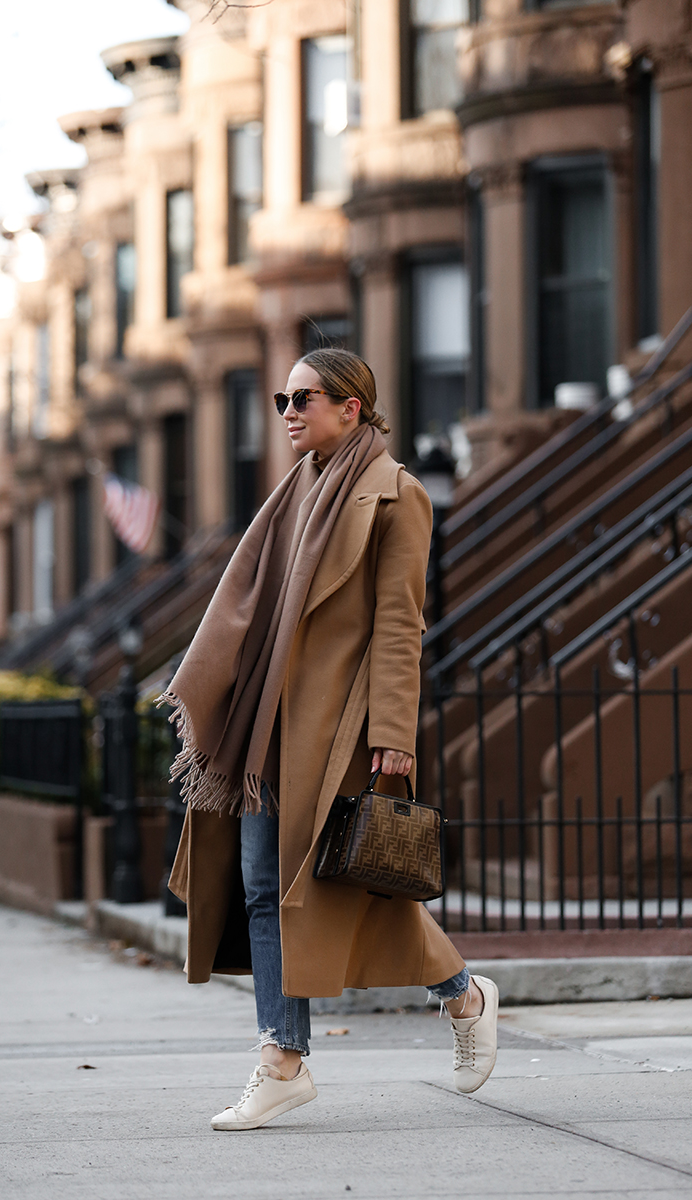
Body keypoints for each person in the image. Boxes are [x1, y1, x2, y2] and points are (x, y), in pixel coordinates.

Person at [164, 348, 498, 1131]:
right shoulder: (293, 496)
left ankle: (462, 997)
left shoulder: (397, 498)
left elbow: (398, 625)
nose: (287, 410)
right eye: (284, 396)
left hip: (337, 729)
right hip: (266, 729)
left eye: (304, 397)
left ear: (352, 408)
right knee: (261, 887)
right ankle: (285, 1055)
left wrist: (393, 733)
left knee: (339, 885)